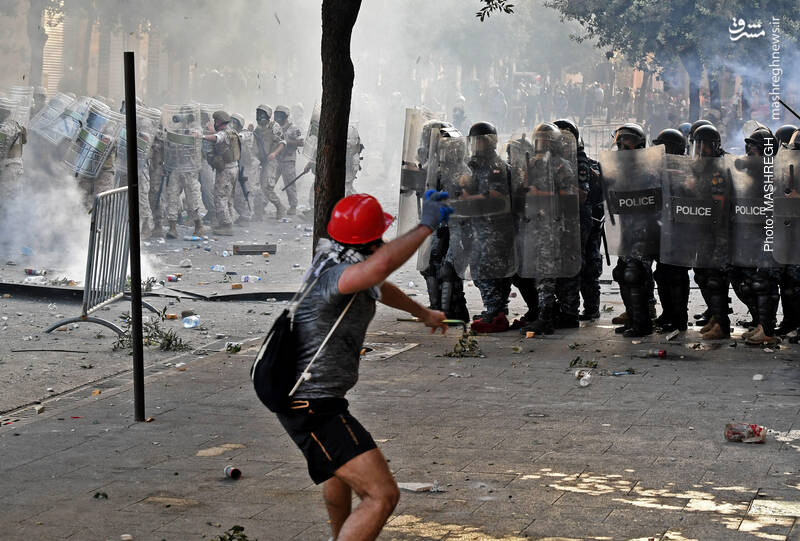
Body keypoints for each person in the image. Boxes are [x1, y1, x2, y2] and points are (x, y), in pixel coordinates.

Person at [276, 192, 450, 541]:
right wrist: (425, 226)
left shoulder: (337, 257)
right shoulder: (338, 274)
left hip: (311, 397)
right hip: (311, 404)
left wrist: (422, 312)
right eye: (379, 236)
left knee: (336, 471)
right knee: (381, 495)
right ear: (370, 239)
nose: (384, 242)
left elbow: (379, 285)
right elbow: (380, 269)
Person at [202, 110, 241, 236]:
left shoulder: (224, 134)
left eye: (215, 121)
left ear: (219, 121)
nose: (214, 123)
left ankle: (226, 225)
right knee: (228, 197)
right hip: (234, 167)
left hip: (225, 170)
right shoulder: (232, 131)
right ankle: (228, 221)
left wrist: (202, 136)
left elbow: (217, 138)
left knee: (219, 196)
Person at [252, 104, 286, 220]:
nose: (259, 116)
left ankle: (280, 207)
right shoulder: (257, 129)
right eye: (258, 114)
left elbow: (282, 143)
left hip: (271, 160)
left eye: (262, 114)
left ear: (268, 115)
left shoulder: (274, 126)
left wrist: (274, 153)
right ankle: (258, 212)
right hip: (260, 160)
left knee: (267, 187)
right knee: (256, 186)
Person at [274, 105, 304, 214]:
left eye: (280, 115)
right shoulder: (274, 127)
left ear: (286, 116)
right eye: (276, 115)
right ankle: (262, 205)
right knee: (269, 182)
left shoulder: (294, 128)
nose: (277, 117)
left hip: (288, 159)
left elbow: (301, 142)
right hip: (276, 159)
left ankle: (293, 206)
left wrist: (287, 142)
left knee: (290, 184)